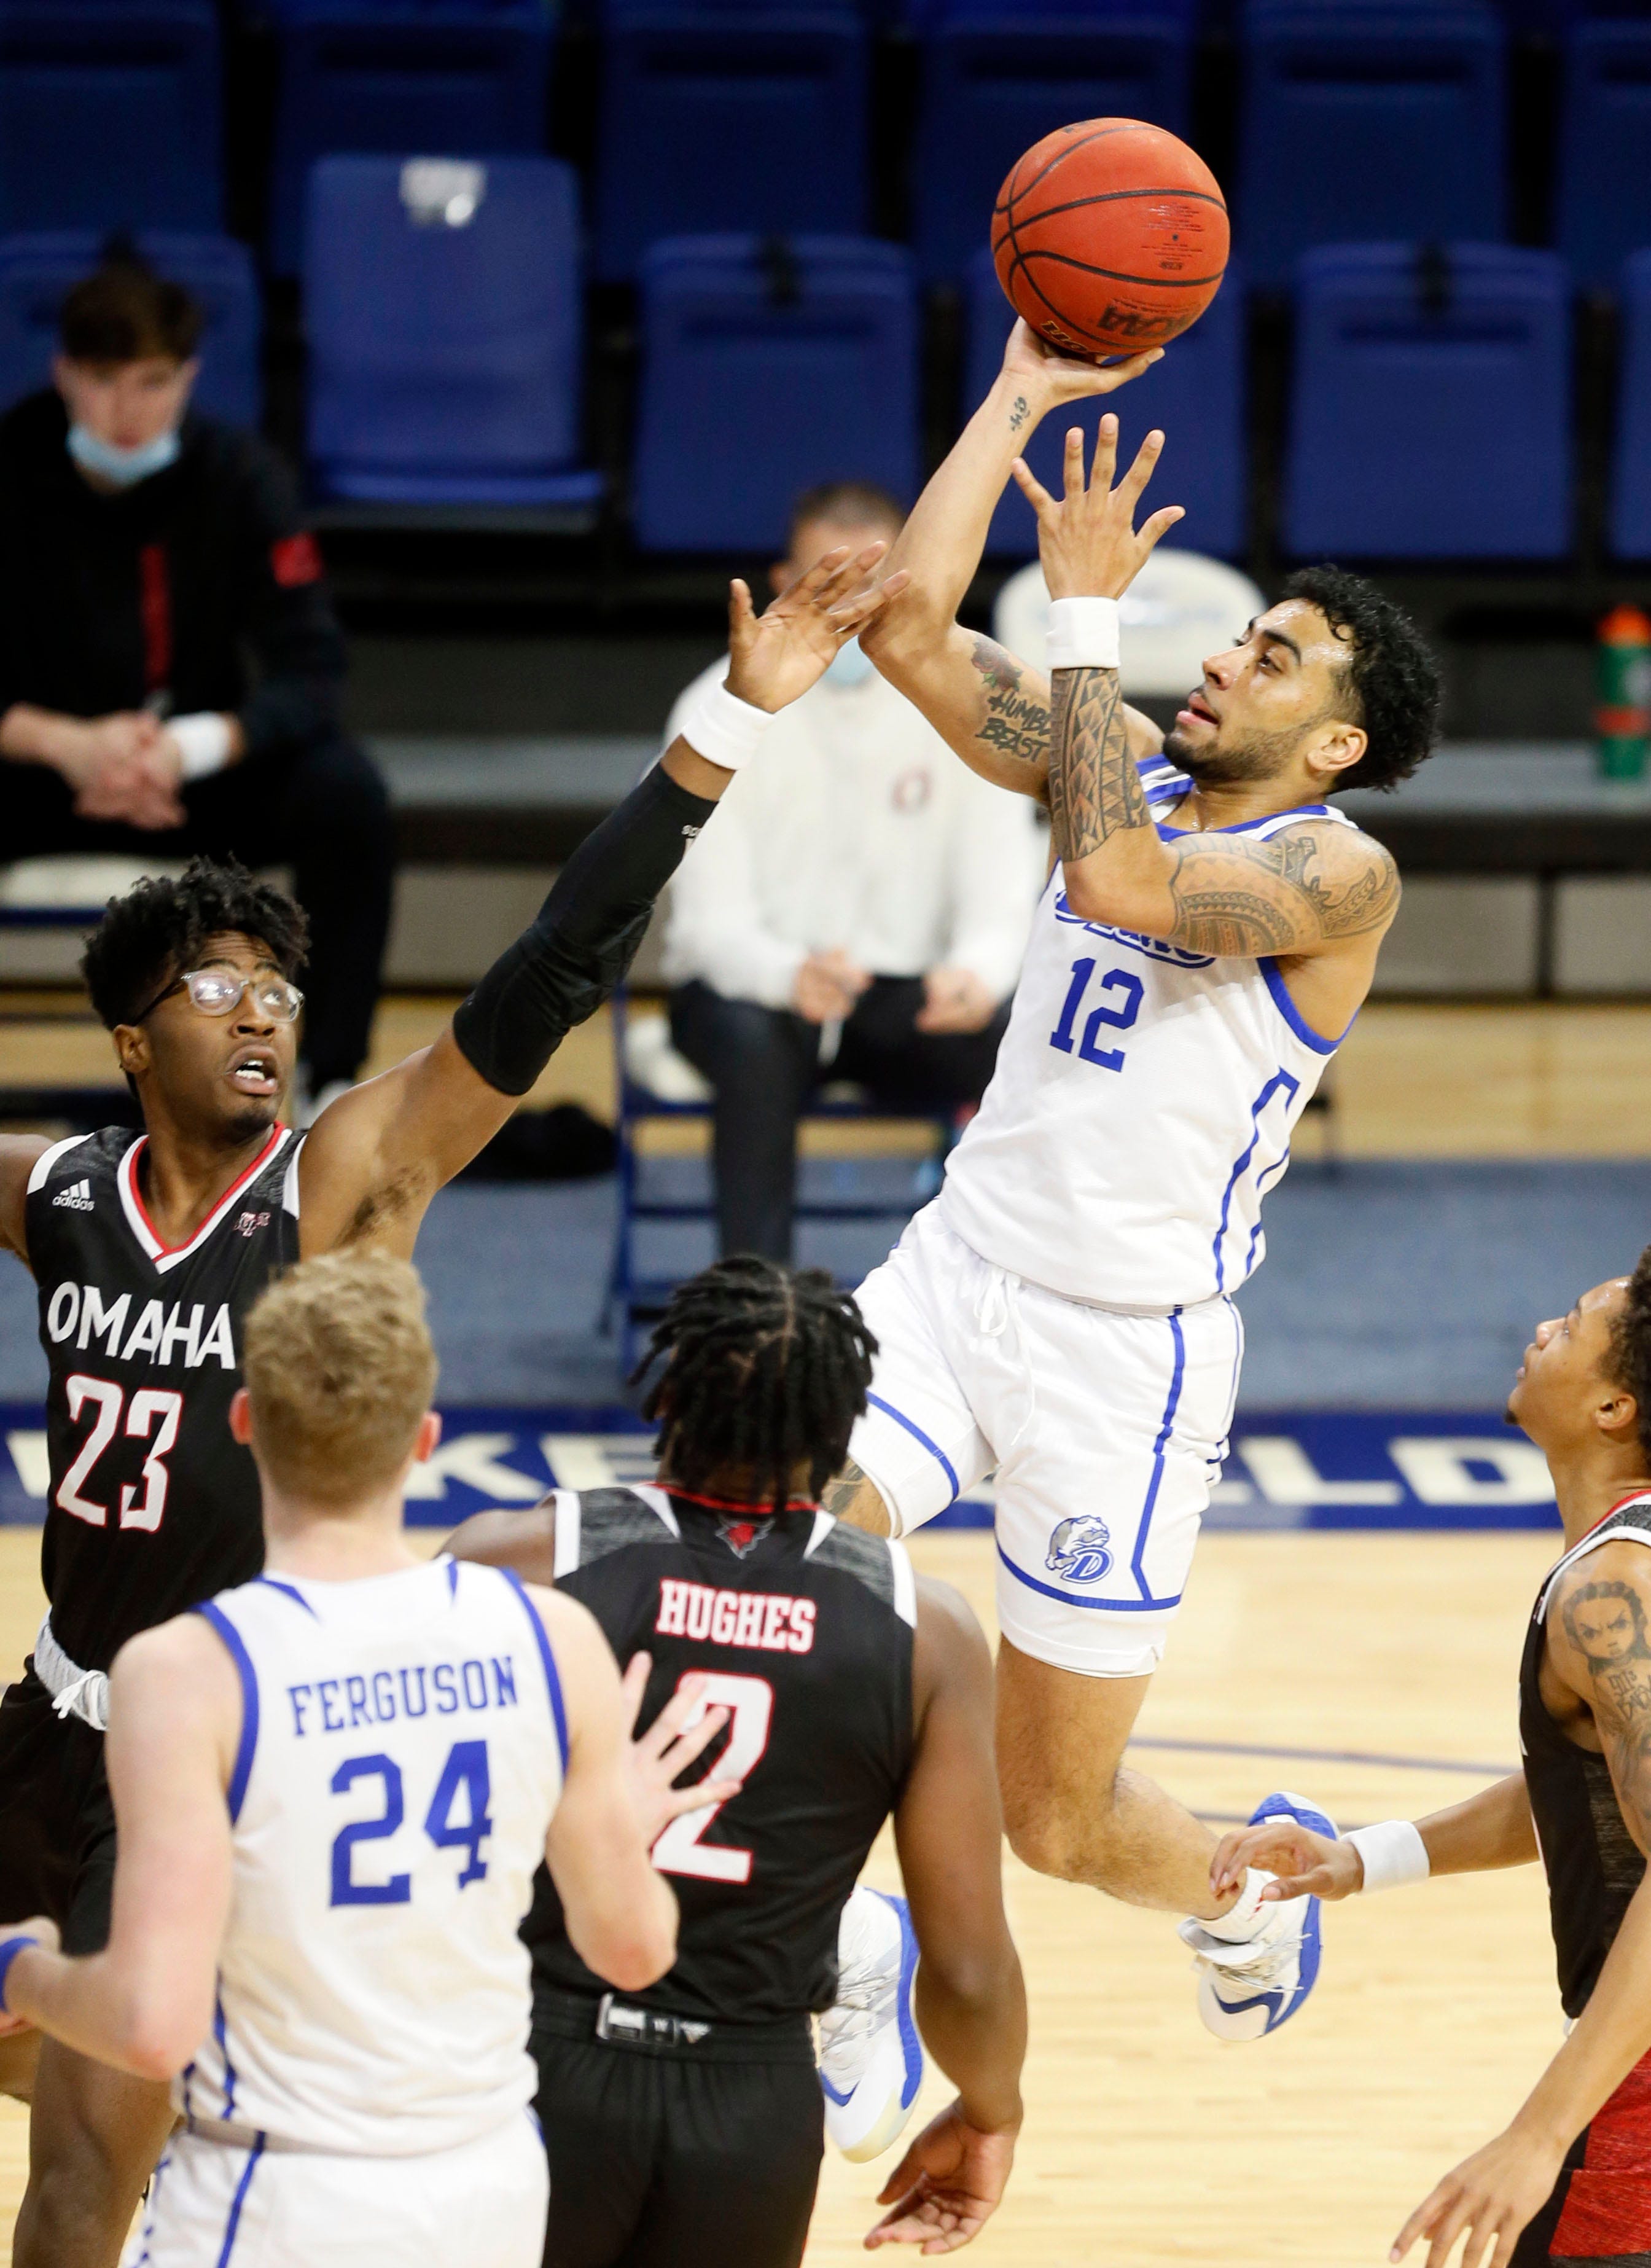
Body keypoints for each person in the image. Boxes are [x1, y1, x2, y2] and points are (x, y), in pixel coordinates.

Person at [0, 538, 905, 2268]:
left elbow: (549, 971)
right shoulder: (58, 1189)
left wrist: (724, 727)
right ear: (131, 1035)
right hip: (57, 1708)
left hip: (222, 1719)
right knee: (92, 2080)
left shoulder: (339, 1172)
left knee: (74, 2188)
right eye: (220, 986)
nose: (265, 1008)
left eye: (280, 983)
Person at [824, 323, 1444, 2041]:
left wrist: (1087, 611)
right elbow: (908, 631)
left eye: (1282, 658)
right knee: (779, 1567)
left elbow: (1119, 882)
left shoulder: (1339, 866)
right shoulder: (1130, 757)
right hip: (955, 1280)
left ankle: (1243, 1889)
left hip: (1128, 1356)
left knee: (1064, 1821)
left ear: (1337, 742)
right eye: (1245, 633)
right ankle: (835, 1954)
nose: (1235, 658)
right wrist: (1023, 384)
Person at [0, 1247, 692, 2267]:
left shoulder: (190, 1671)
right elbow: (634, 1952)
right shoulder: (547, 1637)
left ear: (242, 1426)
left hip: (279, 2193)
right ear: (425, 1441)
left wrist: (26, 1966)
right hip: (489, 2181)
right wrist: (622, 1836)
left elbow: (150, 2023)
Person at [449, 1255, 1027, 2267]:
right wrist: (988, 2108)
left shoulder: (512, 1564)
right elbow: (971, 1970)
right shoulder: (926, 1632)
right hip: (750, 2103)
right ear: (846, 1424)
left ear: (666, 1392)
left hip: (529, 2062)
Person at [1211, 1249, 1651, 2268]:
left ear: (1611, 1408)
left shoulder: (1607, 1600)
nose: (1542, 1325)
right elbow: (1585, 1790)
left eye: (1573, 1322)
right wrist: (1363, 1858)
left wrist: (1535, 2135)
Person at [0, 243, 392, 1111]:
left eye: (152, 381)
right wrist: (62, 742)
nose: (125, 409)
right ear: (65, 375)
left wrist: (188, 748)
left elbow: (313, 668)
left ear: (188, 376)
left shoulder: (241, 478)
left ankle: (328, 1080)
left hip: (188, 782)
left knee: (348, 796)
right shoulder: (11, 467)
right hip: (35, 771)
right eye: (103, 380)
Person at [660, 481, 1045, 1262]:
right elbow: (705, 919)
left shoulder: (963, 705)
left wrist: (978, 971)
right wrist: (785, 975)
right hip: (753, 992)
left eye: (869, 578)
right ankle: (759, 1314)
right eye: (825, 578)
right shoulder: (716, 711)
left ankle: (1008, 1290)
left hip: (902, 998)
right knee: (752, 1045)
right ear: (783, 586)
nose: (849, 600)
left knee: (1032, 1037)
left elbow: (1004, 880)